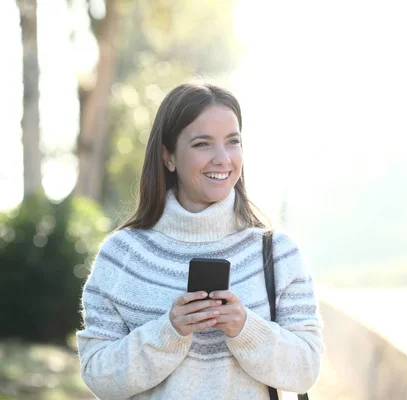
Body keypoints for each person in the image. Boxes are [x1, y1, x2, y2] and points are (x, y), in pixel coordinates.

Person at [76, 82, 324, 399]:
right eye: (203, 144)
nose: (222, 158)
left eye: (233, 142)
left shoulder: (277, 253)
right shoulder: (121, 256)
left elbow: (307, 369)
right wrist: (169, 331)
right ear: (168, 157)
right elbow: (99, 376)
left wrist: (246, 328)